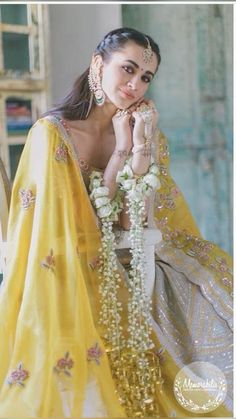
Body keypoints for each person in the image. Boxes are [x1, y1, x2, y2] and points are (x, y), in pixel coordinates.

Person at [0, 27, 232, 418]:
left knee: (211, 285)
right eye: (127, 69)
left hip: (130, 251)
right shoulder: (52, 134)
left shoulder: (145, 133)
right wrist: (119, 152)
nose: (135, 84)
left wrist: (138, 145)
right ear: (97, 64)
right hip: (69, 259)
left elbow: (134, 221)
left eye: (145, 77)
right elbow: (81, 227)